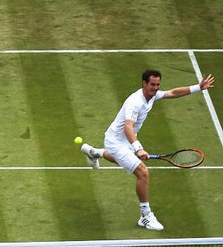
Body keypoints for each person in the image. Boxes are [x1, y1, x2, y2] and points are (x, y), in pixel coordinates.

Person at [80, 69, 215, 231]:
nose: (155, 88)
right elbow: (128, 128)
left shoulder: (152, 95)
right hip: (116, 141)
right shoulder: (135, 102)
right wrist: (139, 149)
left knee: (123, 161)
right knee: (142, 172)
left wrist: (197, 87)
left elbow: (172, 93)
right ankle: (145, 216)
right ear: (144, 83)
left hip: (123, 141)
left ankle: (94, 152)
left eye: (157, 85)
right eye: (152, 84)